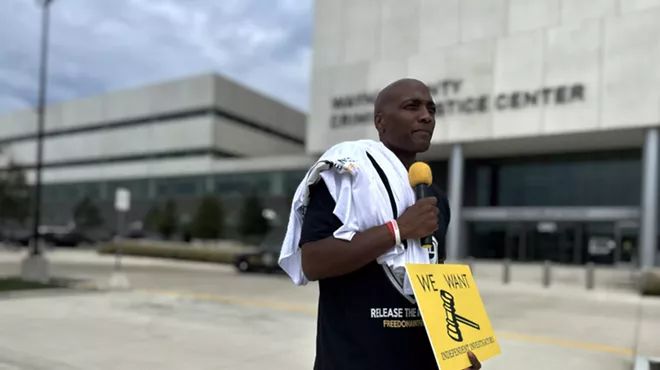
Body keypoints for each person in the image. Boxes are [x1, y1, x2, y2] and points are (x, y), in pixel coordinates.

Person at [296, 78, 481, 370]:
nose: (426, 116)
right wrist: (398, 230)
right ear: (380, 121)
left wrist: (456, 350)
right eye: (412, 107)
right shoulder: (346, 176)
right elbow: (313, 262)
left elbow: (433, 280)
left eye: (431, 109)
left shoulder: (435, 197)